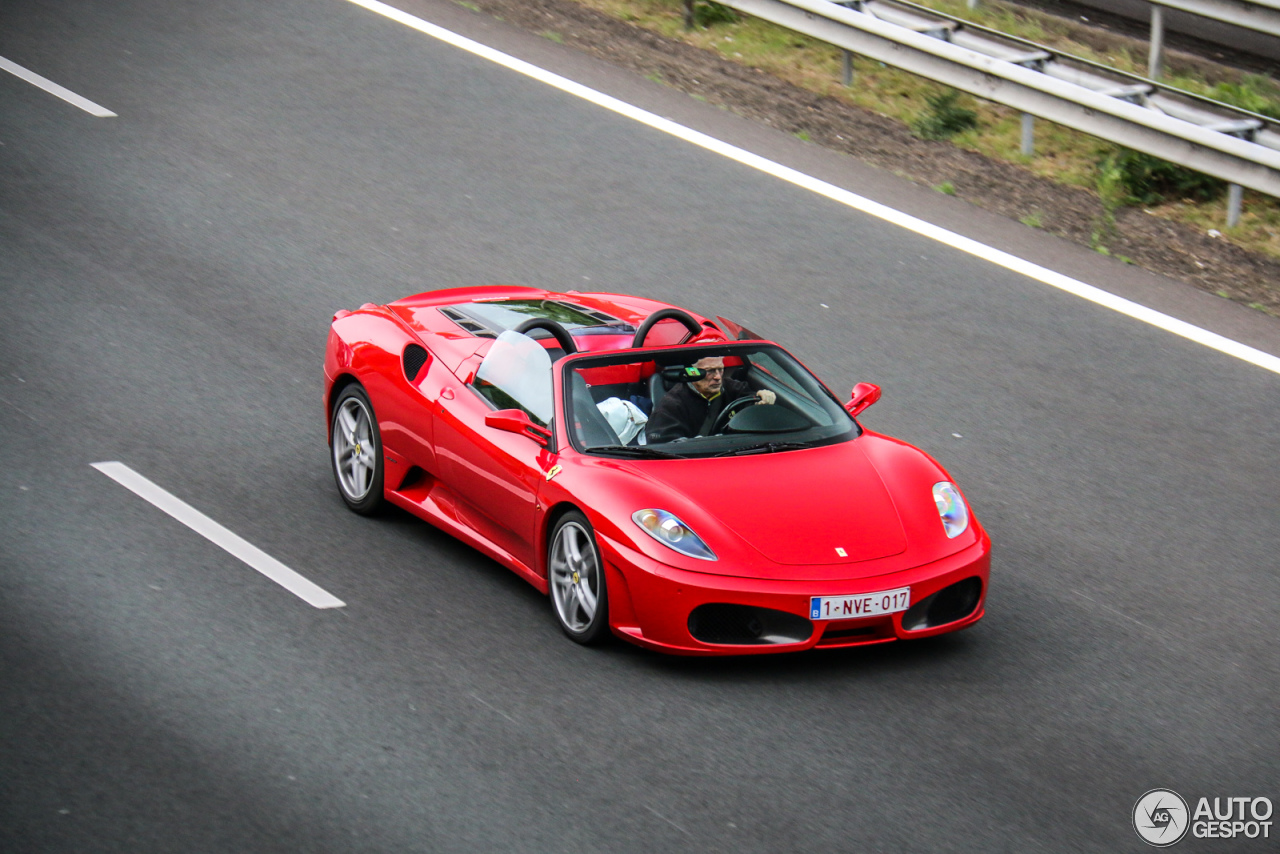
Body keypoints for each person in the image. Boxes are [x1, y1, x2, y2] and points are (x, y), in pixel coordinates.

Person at [645, 356, 776, 443]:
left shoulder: (733, 388)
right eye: (710, 371)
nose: (718, 377)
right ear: (692, 372)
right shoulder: (671, 406)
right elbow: (664, 448)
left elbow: (752, 404)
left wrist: (762, 398)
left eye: (720, 370)